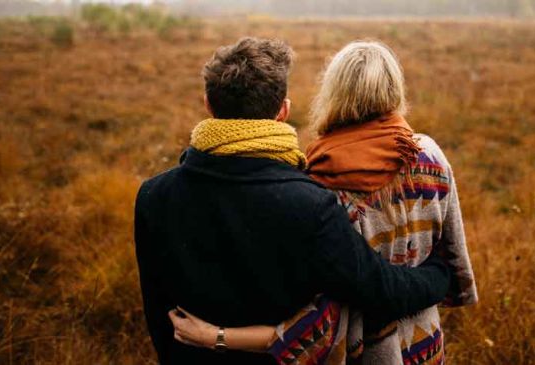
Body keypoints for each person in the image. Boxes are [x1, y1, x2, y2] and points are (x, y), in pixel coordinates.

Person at [134, 37, 451, 365]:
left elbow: (158, 316)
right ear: (283, 110)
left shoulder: (152, 196)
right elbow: (379, 289)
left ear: (208, 105)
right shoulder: (310, 203)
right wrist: (440, 275)